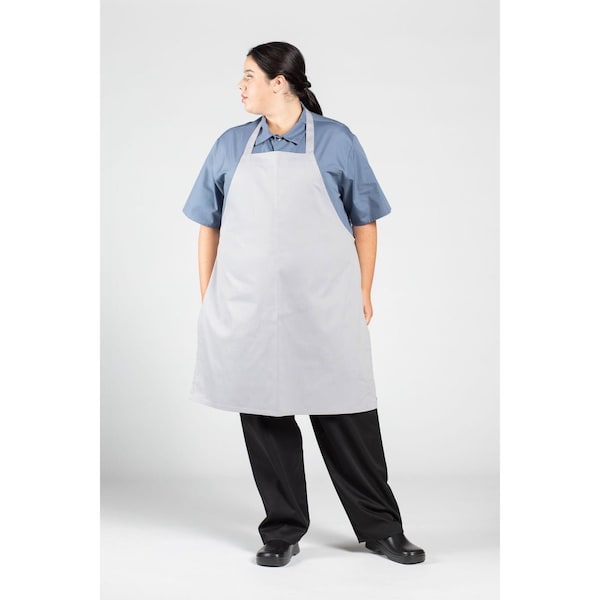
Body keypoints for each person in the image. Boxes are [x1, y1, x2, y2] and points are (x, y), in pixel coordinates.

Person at [182, 41, 425, 567]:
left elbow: (365, 220)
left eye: (249, 76)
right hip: (248, 308)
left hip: (322, 305)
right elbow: (208, 224)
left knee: (345, 413)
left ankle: (381, 528)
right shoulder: (230, 145)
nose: (240, 86)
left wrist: (363, 290)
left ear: (280, 82)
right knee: (265, 418)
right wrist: (210, 297)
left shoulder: (336, 140)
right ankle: (282, 530)